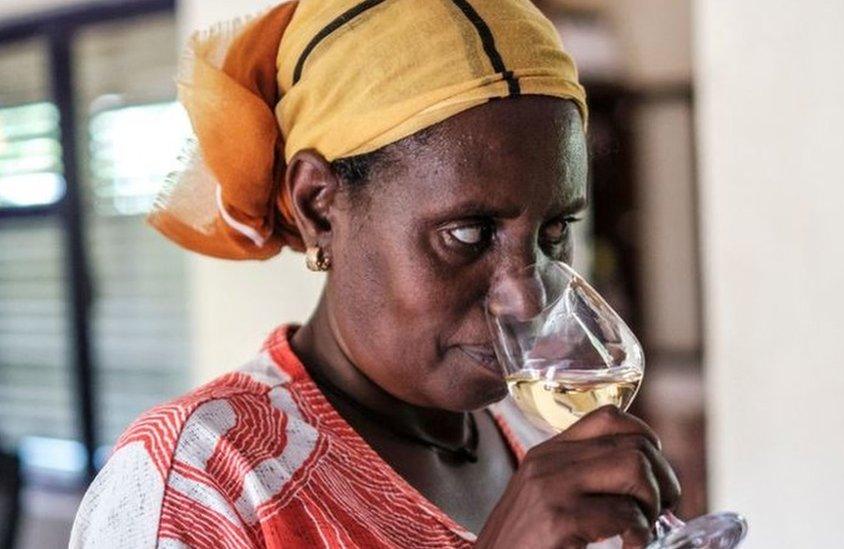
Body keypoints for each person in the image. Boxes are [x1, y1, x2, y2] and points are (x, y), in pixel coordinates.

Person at [69, 0, 680, 547]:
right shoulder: (202, 481)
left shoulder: (533, 428)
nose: (526, 297)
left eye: (553, 233)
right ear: (318, 207)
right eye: (467, 233)